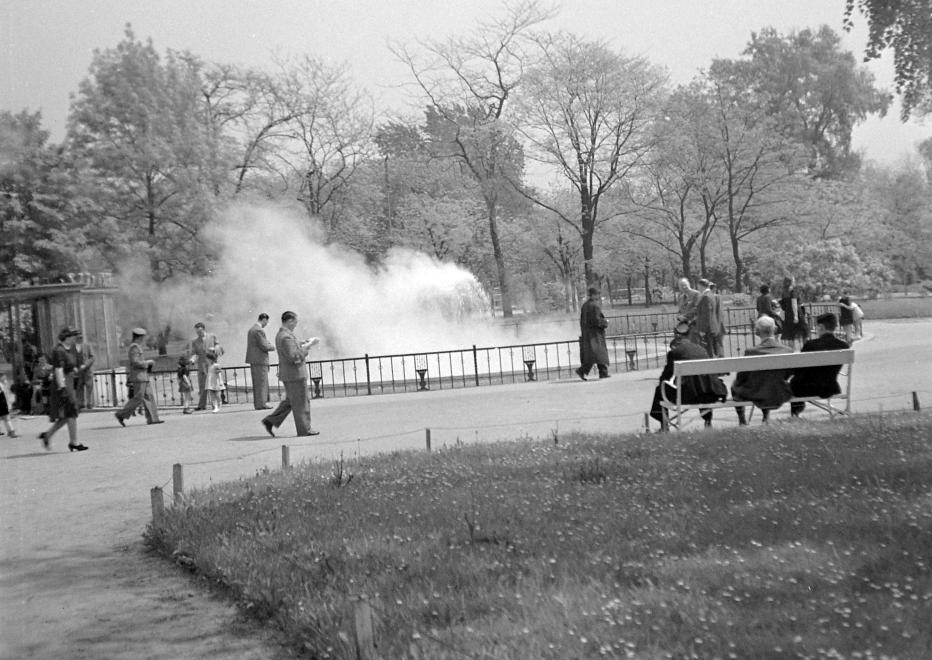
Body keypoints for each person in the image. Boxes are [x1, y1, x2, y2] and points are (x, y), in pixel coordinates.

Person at [649, 322, 728, 428]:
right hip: (709, 394)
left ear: (676, 335)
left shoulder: (675, 353)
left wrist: (663, 382)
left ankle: (664, 425)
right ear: (689, 334)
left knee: (660, 389)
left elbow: (665, 377)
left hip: (687, 396)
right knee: (702, 383)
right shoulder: (702, 350)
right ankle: (708, 421)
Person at [261, 311, 319, 437]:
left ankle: (271, 421)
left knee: (291, 401)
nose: (296, 325)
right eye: (295, 323)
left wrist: (304, 342)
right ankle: (305, 429)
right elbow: (294, 356)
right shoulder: (286, 337)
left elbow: (293, 346)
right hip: (295, 374)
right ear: (290, 321)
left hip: (290, 374)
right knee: (301, 402)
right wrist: (308, 346)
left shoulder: (284, 334)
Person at [732, 316, 793, 425]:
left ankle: (742, 420)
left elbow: (741, 377)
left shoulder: (751, 352)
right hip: (780, 392)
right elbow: (788, 374)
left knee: (735, 385)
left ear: (757, 332)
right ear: (774, 330)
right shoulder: (787, 351)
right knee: (768, 380)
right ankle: (766, 417)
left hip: (756, 393)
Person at [789, 312, 850, 417]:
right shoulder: (844, 346)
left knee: (795, 383)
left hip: (806, 389)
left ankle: (795, 414)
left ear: (821, 327)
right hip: (831, 387)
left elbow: (798, 370)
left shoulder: (810, 345)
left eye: (816, 326)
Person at [39, 326, 88, 451]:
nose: (74, 338)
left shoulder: (68, 349)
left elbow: (69, 365)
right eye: (72, 336)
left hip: (69, 384)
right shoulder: (59, 350)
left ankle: (48, 436)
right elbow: (58, 370)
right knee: (71, 413)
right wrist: (62, 388)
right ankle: (74, 442)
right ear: (66, 336)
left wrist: (74, 369)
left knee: (66, 416)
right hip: (63, 386)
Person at [115, 328, 164, 427]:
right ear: (139, 337)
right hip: (139, 377)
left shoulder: (137, 347)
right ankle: (121, 414)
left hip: (143, 376)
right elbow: (135, 362)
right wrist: (148, 362)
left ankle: (153, 419)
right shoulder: (134, 348)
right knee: (138, 398)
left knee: (149, 396)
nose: (144, 339)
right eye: (143, 337)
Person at [576, 286, 610, 380]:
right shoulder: (594, 306)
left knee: (595, 354)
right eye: (597, 294)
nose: (599, 296)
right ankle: (582, 370)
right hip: (595, 334)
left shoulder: (585, 305)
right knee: (598, 353)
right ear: (593, 295)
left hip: (587, 334)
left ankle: (603, 372)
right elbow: (596, 320)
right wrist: (605, 322)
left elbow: (583, 321)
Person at [188, 322, 223, 411]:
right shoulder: (195, 341)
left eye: (199, 332)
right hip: (202, 365)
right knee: (202, 386)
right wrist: (192, 360)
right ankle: (202, 405)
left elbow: (218, 346)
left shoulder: (212, 336)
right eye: (197, 332)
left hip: (212, 364)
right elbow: (195, 354)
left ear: (203, 329)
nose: (198, 334)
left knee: (214, 385)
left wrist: (215, 349)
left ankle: (215, 404)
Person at [245, 313, 275, 410]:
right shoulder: (259, 330)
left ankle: (259, 403)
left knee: (257, 382)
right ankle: (263, 403)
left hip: (254, 360)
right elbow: (264, 345)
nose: (267, 324)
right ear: (264, 320)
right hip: (260, 360)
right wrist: (273, 347)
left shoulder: (251, 329)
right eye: (267, 322)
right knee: (262, 382)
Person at [695, 278, 723, 358]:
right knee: (712, 350)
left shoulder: (706, 297)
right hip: (711, 327)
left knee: (709, 351)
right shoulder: (710, 294)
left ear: (701, 286)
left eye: (698, 286)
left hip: (707, 329)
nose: (698, 288)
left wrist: (703, 330)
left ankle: (712, 368)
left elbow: (706, 314)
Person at [73, 337, 95, 409]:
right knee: (79, 387)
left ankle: (89, 403)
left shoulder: (87, 346)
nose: (79, 338)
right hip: (78, 372)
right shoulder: (72, 347)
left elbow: (92, 358)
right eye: (77, 336)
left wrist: (85, 365)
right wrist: (73, 367)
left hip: (87, 371)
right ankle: (80, 403)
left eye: (80, 337)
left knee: (89, 387)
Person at [0, 373, 18, 438]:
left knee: (6, 419)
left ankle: (10, 431)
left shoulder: (3, 385)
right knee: (7, 419)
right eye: (4, 378)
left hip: (4, 404)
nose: (6, 380)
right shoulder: (1, 385)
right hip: (2, 404)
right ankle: (11, 432)